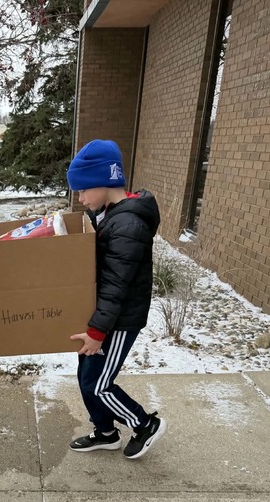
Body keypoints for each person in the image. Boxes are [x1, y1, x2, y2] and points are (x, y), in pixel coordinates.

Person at [67, 139, 166, 459]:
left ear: (104, 182)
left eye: (82, 191)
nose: (80, 199)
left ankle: (145, 424)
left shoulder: (128, 223)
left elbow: (115, 284)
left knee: (98, 383)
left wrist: (98, 332)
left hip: (119, 319)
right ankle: (106, 432)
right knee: (86, 375)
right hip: (106, 315)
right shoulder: (111, 213)